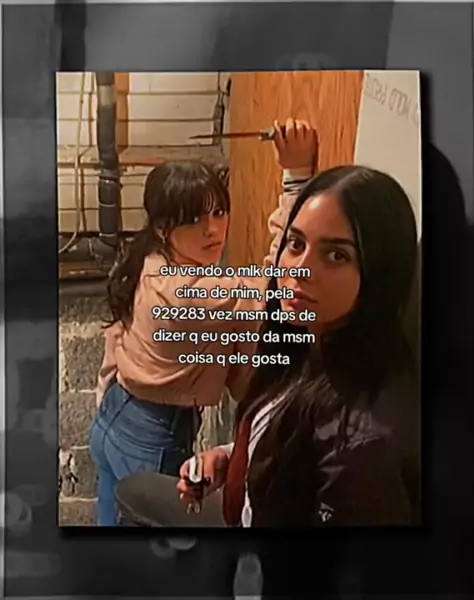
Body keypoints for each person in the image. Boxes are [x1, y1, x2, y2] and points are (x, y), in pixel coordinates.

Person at [89, 118, 318, 526]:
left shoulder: (149, 257)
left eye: (218, 212)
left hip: (117, 415)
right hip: (153, 437)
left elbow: (116, 337)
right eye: (194, 220)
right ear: (164, 228)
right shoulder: (187, 291)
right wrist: (296, 175)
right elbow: (277, 284)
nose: (213, 230)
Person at [177, 164, 419, 527]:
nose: (299, 270)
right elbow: (295, 448)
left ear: (379, 274)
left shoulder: (363, 443)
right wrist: (233, 459)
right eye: (296, 244)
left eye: (336, 255)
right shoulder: (306, 342)